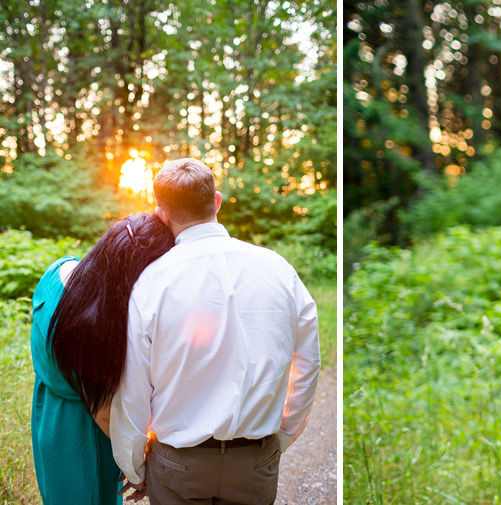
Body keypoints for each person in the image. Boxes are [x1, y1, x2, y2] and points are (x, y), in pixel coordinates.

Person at [110, 158, 321, 504]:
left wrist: (135, 466)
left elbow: (132, 388)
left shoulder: (150, 283)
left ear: (161, 213)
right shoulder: (279, 269)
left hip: (177, 465)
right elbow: (309, 363)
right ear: (217, 201)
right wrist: (282, 437)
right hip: (254, 461)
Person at [31, 214, 175, 504]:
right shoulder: (97, 324)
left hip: (49, 421)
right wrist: (139, 471)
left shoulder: (57, 272)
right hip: (85, 440)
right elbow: (105, 413)